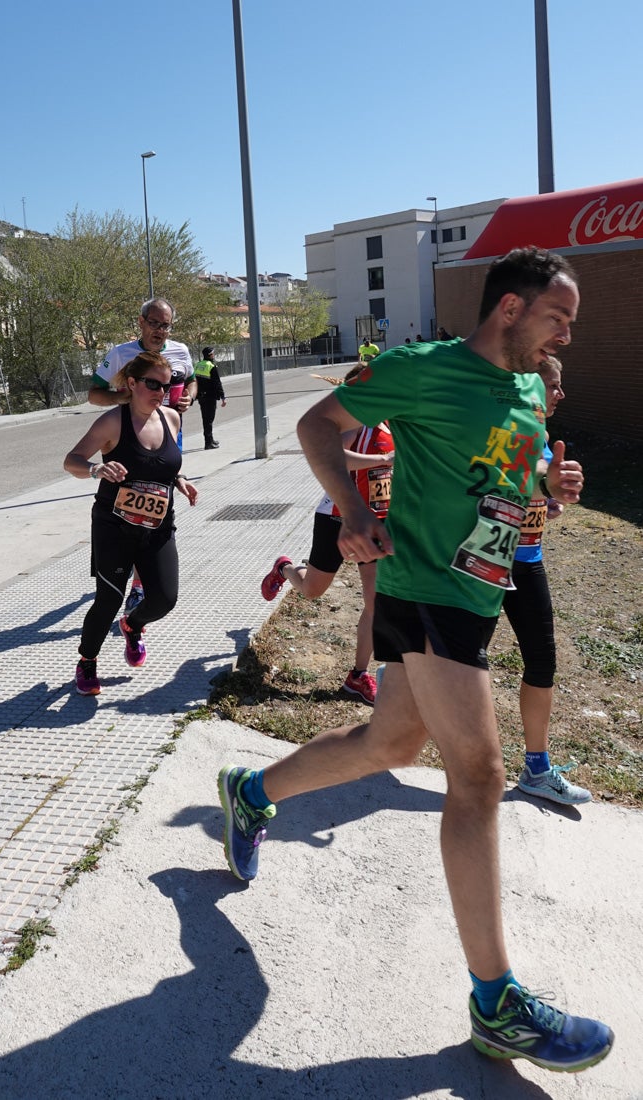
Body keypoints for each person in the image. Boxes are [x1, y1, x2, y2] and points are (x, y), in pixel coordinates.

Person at [217, 247, 612, 1074]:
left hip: (474, 593)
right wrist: (355, 507)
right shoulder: (422, 368)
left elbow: (513, 470)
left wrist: (550, 485)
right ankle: (495, 1003)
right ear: (507, 307)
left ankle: (250, 793)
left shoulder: (532, 387)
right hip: (423, 583)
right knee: (477, 776)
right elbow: (315, 424)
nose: (564, 337)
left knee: (387, 747)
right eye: (556, 318)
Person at [65, 352, 197, 696]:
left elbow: (165, 464)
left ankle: (132, 624)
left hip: (157, 527)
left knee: (165, 599)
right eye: (152, 384)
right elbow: (71, 461)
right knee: (108, 599)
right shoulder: (113, 422)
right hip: (114, 528)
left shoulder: (171, 419)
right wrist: (97, 469)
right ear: (133, 384)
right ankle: (87, 661)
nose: (160, 392)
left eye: (165, 386)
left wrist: (179, 479)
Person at [260, 369, 393, 706]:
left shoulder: (389, 424)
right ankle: (286, 568)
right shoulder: (351, 425)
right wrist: (380, 459)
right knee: (312, 591)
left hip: (373, 520)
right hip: (335, 517)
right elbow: (333, 458)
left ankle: (358, 676)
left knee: (374, 602)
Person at [503, 356, 591, 805]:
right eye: (554, 385)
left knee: (542, 661)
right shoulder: (505, 428)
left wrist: (546, 501)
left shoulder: (539, 436)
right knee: (457, 663)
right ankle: (400, 676)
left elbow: (532, 490)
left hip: (528, 560)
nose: (560, 393)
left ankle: (536, 768)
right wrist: (538, 488)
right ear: (529, 388)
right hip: (484, 563)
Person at [88, 296, 197, 613]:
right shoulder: (121, 354)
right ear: (141, 322)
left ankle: (139, 584)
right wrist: (119, 397)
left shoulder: (181, 352)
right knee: (131, 511)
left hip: (167, 440)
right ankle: (122, 576)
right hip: (128, 442)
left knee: (157, 510)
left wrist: (189, 397)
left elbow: (191, 383)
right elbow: (93, 394)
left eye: (165, 325)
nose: (159, 330)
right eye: (154, 323)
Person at [193, 347, 226, 450]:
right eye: (213, 353)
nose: (214, 355)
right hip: (210, 397)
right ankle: (208, 443)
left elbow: (194, 381)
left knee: (205, 419)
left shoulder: (198, 365)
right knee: (209, 420)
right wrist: (223, 397)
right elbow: (217, 383)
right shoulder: (211, 366)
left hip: (201, 397)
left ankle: (210, 439)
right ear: (210, 355)